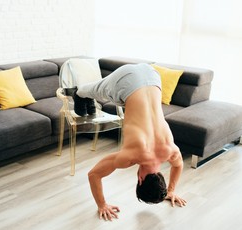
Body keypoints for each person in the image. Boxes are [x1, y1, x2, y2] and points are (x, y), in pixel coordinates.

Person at [69, 63, 187, 221]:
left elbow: (178, 165)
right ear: (140, 179)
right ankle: (79, 93)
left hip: (152, 74)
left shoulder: (171, 151)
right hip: (127, 80)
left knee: (109, 96)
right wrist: (102, 205)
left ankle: (86, 98)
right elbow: (93, 175)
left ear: (160, 176)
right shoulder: (130, 156)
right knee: (97, 89)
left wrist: (171, 190)